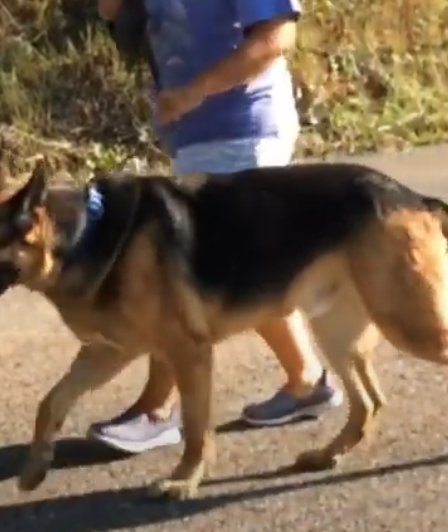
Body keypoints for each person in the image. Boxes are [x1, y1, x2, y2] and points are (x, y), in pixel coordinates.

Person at [88, 0, 343, 454]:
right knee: (246, 273)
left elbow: (275, 38)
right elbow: (114, 13)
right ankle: (305, 381)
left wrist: (194, 92)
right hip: (194, 133)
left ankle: (158, 410)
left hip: (242, 131)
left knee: (187, 277)